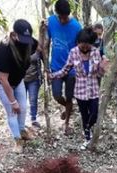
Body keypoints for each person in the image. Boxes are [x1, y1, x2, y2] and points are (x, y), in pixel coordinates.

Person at [50, 28, 106, 150]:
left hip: (93, 90)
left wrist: (102, 67)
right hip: (80, 91)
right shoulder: (73, 52)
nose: (85, 48)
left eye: (88, 45)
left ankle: (88, 129)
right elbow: (66, 70)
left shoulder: (96, 52)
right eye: (83, 45)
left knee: (94, 114)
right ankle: (87, 138)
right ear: (78, 42)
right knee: (84, 115)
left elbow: (100, 74)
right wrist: (53, 75)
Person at [0, 20, 36, 154]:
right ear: (14, 35)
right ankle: (17, 140)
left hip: (18, 80)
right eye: (23, 39)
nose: (26, 42)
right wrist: (12, 101)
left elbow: (38, 47)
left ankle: (22, 131)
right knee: (12, 110)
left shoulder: (29, 43)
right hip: (1, 83)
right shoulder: (3, 49)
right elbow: (3, 79)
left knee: (23, 108)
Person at [45, 0, 82, 135]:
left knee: (69, 95)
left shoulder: (77, 26)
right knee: (56, 94)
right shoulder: (51, 22)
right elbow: (46, 43)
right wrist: (46, 67)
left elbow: (80, 48)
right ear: (56, 14)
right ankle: (67, 107)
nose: (63, 20)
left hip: (71, 68)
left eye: (65, 17)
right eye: (61, 17)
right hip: (55, 66)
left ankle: (66, 125)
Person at [24, 37, 43, 129]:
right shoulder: (19, 48)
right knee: (21, 100)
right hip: (21, 79)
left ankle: (33, 119)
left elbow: (44, 60)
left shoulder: (37, 47)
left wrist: (47, 72)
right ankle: (22, 121)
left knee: (33, 99)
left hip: (34, 79)